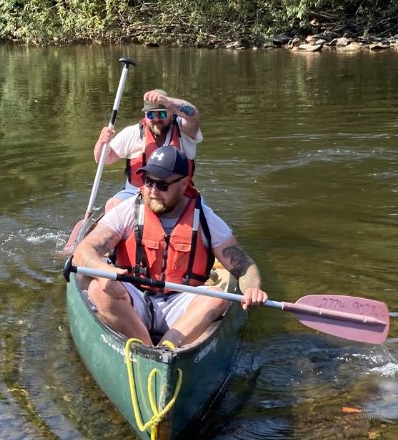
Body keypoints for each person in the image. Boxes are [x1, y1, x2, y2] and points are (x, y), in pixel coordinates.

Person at [72, 145, 268, 349]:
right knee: (98, 288)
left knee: (216, 298)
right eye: (148, 182)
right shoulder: (127, 211)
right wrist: (102, 270)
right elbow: (84, 249)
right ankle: (146, 349)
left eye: (162, 185)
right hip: (133, 298)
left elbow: (243, 266)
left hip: (180, 304)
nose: (153, 191)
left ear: (183, 184)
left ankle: (166, 348)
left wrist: (252, 289)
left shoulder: (205, 219)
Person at [94, 89, 202, 207]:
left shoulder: (185, 131)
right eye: (151, 114)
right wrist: (102, 141)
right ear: (145, 115)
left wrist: (169, 102)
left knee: (198, 211)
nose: (156, 119)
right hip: (136, 193)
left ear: (171, 113)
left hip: (177, 193)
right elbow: (103, 159)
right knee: (112, 204)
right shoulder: (133, 133)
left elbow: (193, 115)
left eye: (162, 114)